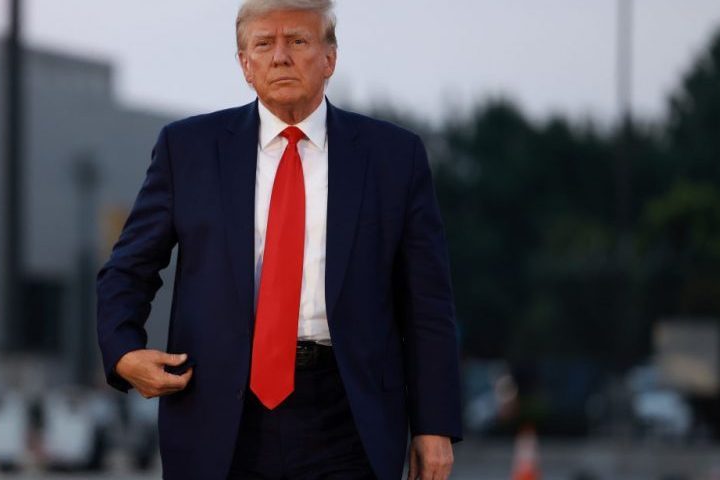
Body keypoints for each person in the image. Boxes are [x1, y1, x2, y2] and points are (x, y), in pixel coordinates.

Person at [96, 1, 462, 478]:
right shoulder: (188, 150)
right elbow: (128, 269)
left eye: (298, 41)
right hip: (219, 406)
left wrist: (434, 424)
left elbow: (428, 302)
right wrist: (124, 351)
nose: (280, 56)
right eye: (263, 44)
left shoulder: (394, 157)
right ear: (245, 65)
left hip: (349, 412)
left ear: (329, 58)